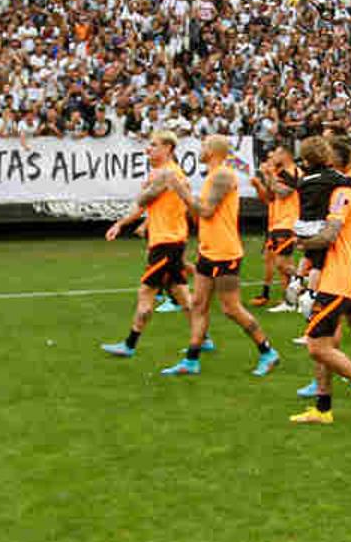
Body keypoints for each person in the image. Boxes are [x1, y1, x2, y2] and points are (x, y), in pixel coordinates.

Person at [160, 135, 280, 377]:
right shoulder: (213, 176)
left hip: (225, 252)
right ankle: (191, 360)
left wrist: (182, 191)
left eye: (204, 146)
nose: (200, 149)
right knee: (198, 304)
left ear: (214, 151)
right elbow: (202, 214)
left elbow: (205, 210)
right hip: (209, 250)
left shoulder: (223, 175)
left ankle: (267, 351)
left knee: (231, 308)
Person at [288, 136, 351, 426]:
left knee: (317, 346)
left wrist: (302, 244)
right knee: (326, 343)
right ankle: (323, 408)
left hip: (337, 276)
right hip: (331, 275)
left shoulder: (343, 192)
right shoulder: (336, 188)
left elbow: (330, 234)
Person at [100, 130, 195, 358]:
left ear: (168, 149)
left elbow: (141, 203)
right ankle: (202, 337)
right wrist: (123, 224)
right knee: (181, 293)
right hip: (172, 241)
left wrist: (120, 224)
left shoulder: (167, 175)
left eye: (153, 145)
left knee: (146, 293)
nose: (148, 149)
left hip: (165, 243)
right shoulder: (173, 174)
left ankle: (130, 345)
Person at [250, 144, 300, 310]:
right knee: (280, 263)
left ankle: (306, 282)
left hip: (288, 220)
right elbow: (271, 197)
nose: (272, 157)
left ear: (286, 155)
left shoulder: (294, 171)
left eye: (276, 153)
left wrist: (269, 175)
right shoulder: (279, 173)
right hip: (277, 221)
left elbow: (284, 192)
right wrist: (262, 182)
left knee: (281, 263)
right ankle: (289, 300)